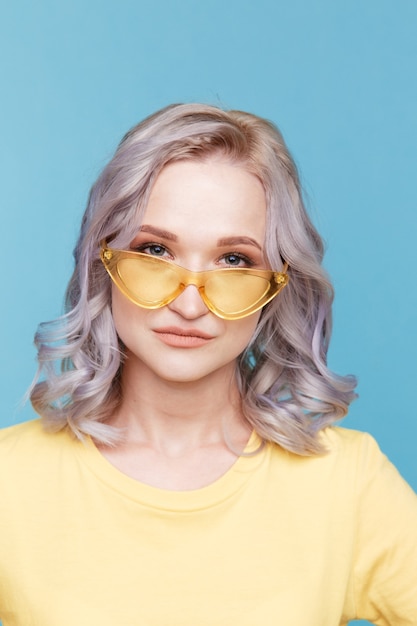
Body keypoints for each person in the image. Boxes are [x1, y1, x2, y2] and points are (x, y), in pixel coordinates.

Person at [0, 103, 416, 626]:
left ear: (276, 284)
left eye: (234, 259)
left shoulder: (348, 482)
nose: (190, 302)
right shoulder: (8, 482)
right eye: (155, 250)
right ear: (101, 262)